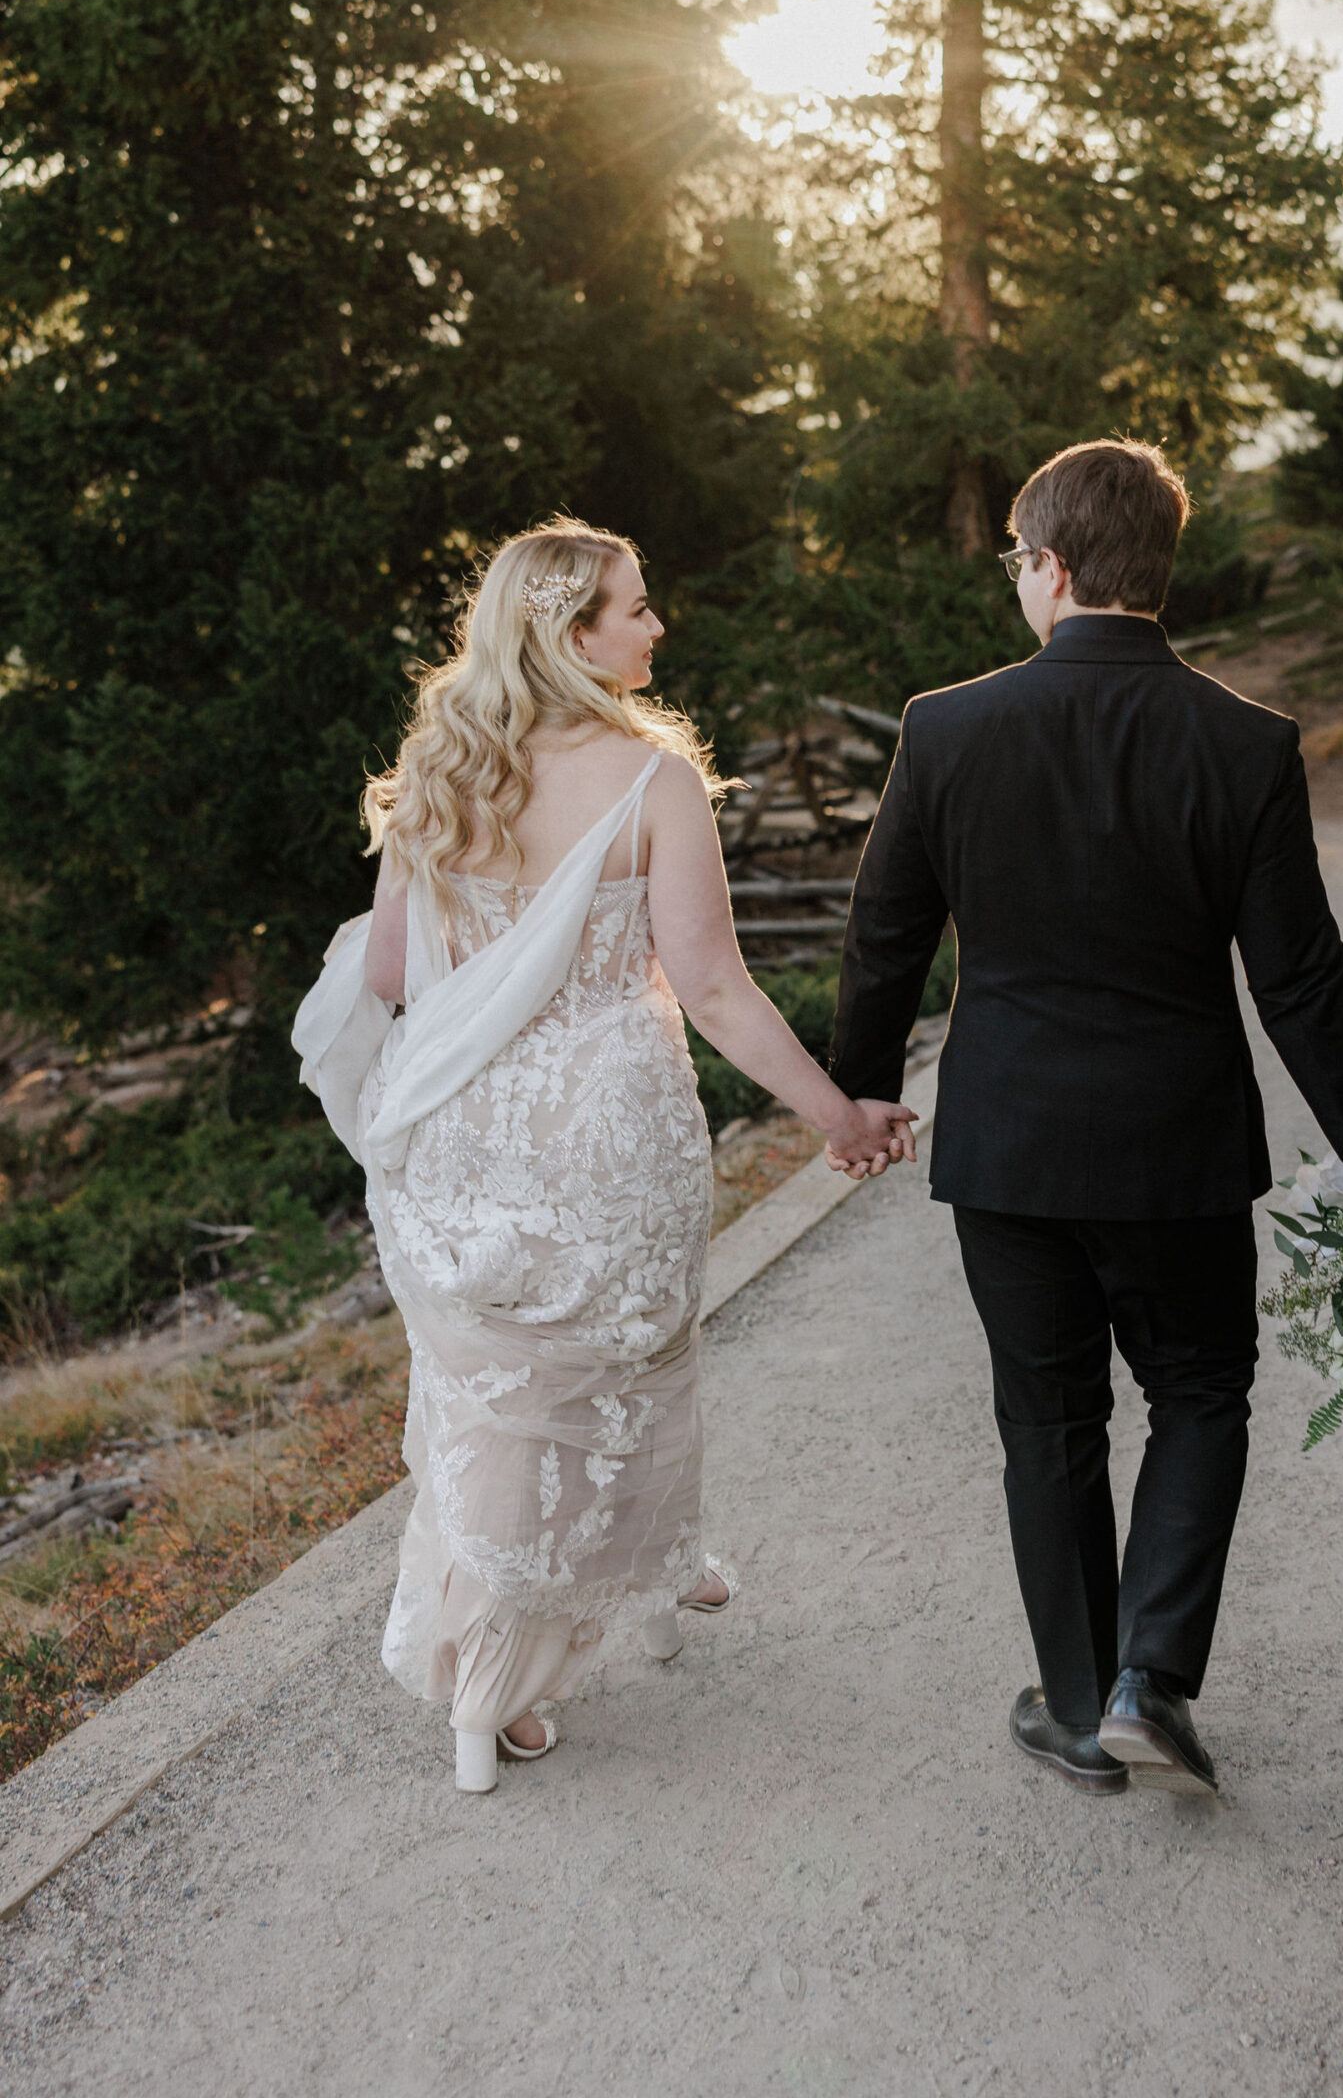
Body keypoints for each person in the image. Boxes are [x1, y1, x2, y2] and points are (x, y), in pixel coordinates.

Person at [826, 439, 1343, 1797]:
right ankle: (1148, 1682)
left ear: (1049, 568)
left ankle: (1071, 1706)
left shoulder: (945, 728)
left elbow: (883, 940)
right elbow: (1295, 977)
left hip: (1006, 1146)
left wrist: (861, 1091)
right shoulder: (1243, 744)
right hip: (1171, 1151)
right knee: (1198, 1391)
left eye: (1014, 564)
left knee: (1046, 1422)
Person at [292, 515, 913, 1795]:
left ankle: (486, 1700)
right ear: (571, 635)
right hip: (608, 1133)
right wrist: (839, 1116)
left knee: (500, 1398)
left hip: (462, 1135)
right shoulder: (651, 781)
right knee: (620, 1373)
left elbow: (400, 972)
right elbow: (717, 990)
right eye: (633, 608)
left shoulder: (444, 763)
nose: (654, 626)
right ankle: (601, 1595)